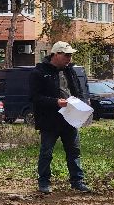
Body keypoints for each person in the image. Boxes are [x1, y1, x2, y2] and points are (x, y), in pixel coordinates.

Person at [28, 41, 91, 194]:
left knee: (74, 151)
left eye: (70, 55)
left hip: (70, 118)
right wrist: (55, 102)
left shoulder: (70, 71)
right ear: (56, 54)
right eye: (66, 55)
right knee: (46, 152)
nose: (69, 59)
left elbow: (77, 90)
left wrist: (81, 103)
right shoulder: (39, 72)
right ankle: (44, 182)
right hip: (49, 120)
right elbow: (34, 97)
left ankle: (77, 181)